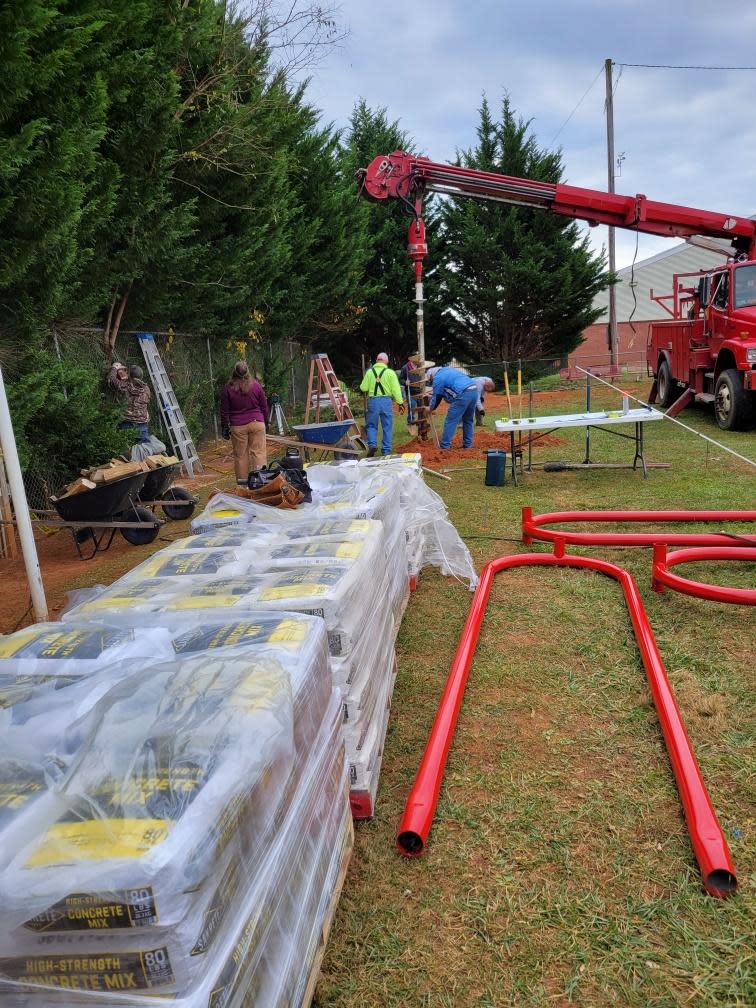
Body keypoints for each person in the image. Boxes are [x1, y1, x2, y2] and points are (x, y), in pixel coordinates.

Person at [220, 361, 269, 486]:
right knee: (258, 453)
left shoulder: (228, 389)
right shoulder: (256, 386)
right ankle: (261, 482)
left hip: (238, 426)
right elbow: (264, 406)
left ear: (234, 373)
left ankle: (243, 486)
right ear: (248, 372)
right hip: (257, 423)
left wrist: (225, 426)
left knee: (241, 456)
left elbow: (224, 410)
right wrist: (266, 422)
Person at [359, 352, 405, 457]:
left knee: (371, 425)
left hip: (373, 402)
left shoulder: (369, 372)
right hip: (386, 402)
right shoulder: (390, 373)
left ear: (376, 360)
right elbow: (396, 390)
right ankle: (386, 450)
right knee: (387, 426)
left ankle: (372, 445)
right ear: (386, 361)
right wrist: (400, 403)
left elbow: (363, 388)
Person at [428, 366, 480, 450]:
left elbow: (437, 396)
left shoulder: (438, 377)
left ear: (431, 375)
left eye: (430, 379)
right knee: (468, 420)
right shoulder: (448, 370)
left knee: (451, 421)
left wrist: (430, 408)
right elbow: (448, 391)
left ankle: (445, 446)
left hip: (463, 393)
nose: (431, 382)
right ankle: (468, 445)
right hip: (473, 390)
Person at [107, 362, 152, 443]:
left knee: (123, 449)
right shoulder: (146, 389)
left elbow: (111, 380)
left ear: (129, 376)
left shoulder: (124, 386)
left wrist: (115, 367)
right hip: (142, 426)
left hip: (126, 424)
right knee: (144, 451)